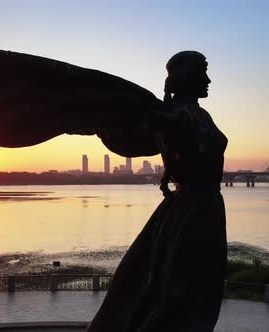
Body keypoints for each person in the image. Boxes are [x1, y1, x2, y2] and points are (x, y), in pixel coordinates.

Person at [88, 51, 228, 332]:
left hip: (190, 209)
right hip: (196, 211)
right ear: (187, 77)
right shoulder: (178, 116)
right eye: (203, 71)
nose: (208, 79)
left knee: (173, 285)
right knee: (183, 290)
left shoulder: (187, 114)